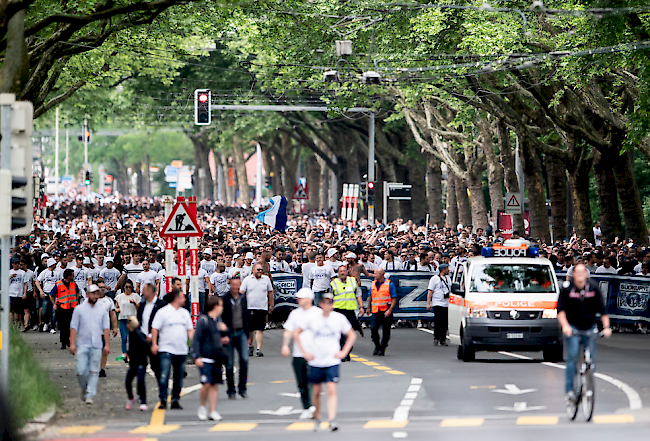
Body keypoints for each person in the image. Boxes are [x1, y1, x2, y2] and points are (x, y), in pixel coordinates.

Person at [294, 292, 356, 432]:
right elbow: (297, 333)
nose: (328, 306)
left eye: (330, 303)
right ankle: (317, 418)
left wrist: (344, 352)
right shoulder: (313, 319)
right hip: (316, 361)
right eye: (325, 303)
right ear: (321, 304)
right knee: (316, 392)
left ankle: (332, 419)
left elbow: (351, 334)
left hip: (332, 360)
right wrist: (305, 352)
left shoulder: (339, 318)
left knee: (331, 389)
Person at [557, 264, 612, 403]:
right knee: (573, 356)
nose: (581, 275)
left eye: (583, 272)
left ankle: (587, 382)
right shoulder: (567, 288)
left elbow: (603, 310)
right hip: (573, 326)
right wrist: (565, 326)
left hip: (589, 327)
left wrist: (606, 327)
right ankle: (570, 390)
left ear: (587, 274)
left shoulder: (593, 287)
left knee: (591, 358)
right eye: (578, 272)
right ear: (573, 274)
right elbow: (561, 310)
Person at [151, 289, 194, 410]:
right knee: (164, 374)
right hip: (166, 348)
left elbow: (190, 329)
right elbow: (155, 328)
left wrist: (194, 343)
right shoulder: (163, 312)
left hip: (181, 350)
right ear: (176, 298)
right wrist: (154, 344)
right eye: (182, 297)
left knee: (178, 376)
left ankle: (175, 399)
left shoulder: (184, 313)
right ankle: (163, 399)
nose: (185, 299)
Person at [281, 287, 320, 419]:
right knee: (301, 382)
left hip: (315, 353)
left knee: (313, 382)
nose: (298, 300)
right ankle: (306, 407)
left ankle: (314, 406)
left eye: (301, 298)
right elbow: (288, 330)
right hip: (298, 353)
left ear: (309, 299)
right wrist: (285, 345)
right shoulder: (295, 314)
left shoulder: (318, 313)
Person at [69, 283, 110, 405]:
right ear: (87, 294)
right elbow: (74, 327)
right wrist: (72, 343)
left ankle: (90, 394)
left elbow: (106, 328)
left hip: (97, 344)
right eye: (93, 293)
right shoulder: (79, 309)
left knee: (94, 371)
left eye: (96, 293)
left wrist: (107, 344)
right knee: (81, 371)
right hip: (82, 343)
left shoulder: (102, 310)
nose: (95, 296)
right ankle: (84, 388)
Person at [191, 296, 230, 421]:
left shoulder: (218, 321)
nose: (222, 308)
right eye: (220, 305)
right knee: (206, 384)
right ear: (215, 306)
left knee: (214, 385)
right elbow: (196, 339)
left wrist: (224, 337)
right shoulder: (204, 321)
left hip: (216, 357)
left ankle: (213, 410)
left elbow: (220, 337)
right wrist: (196, 356)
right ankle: (202, 407)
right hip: (205, 357)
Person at [222, 276, 250, 399]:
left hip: (241, 332)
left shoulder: (243, 298)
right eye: (233, 285)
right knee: (229, 363)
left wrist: (248, 334)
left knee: (244, 360)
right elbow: (221, 318)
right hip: (229, 334)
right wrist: (223, 335)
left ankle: (242, 388)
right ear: (230, 285)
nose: (235, 287)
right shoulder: (224, 299)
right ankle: (231, 390)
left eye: (237, 285)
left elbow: (247, 317)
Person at [330, 265, 363, 361]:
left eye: (344, 271)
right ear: (338, 273)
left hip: (350, 311)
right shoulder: (334, 283)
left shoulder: (352, 281)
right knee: (339, 334)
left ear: (347, 272)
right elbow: (330, 298)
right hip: (338, 311)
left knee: (350, 333)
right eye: (340, 271)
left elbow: (358, 294)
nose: (342, 273)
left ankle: (347, 351)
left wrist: (361, 307)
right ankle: (342, 353)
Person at [240, 263, 274, 357]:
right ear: (253, 270)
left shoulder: (266, 279)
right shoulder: (247, 280)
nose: (260, 271)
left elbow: (270, 292)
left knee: (260, 329)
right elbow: (241, 293)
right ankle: (250, 346)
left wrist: (271, 304)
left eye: (261, 270)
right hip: (250, 307)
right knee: (250, 329)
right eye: (258, 269)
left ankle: (258, 349)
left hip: (262, 307)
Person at [136, 283, 165, 380]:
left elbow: (163, 324)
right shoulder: (142, 305)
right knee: (140, 367)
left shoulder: (161, 305)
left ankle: (162, 390)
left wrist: (152, 335)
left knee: (156, 366)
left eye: (144, 290)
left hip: (156, 340)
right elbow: (139, 321)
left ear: (150, 291)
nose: (142, 292)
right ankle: (141, 393)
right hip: (143, 340)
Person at [368, 268, 397, 356]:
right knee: (373, 328)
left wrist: (390, 310)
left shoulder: (389, 284)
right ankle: (377, 345)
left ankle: (383, 348)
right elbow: (370, 296)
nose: (374, 275)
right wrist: (368, 307)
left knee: (386, 330)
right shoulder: (373, 284)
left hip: (385, 309)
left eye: (376, 273)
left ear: (381, 274)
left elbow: (394, 298)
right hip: (376, 309)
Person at [50, 268, 79, 350]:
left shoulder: (73, 283)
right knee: (63, 326)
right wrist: (54, 304)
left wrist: (76, 300)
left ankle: (67, 339)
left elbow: (77, 292)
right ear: (68, 276)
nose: (73, 276)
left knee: (70, 325)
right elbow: (51, 294)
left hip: (71, 307)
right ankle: (63, 341)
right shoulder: (59, 284)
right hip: (61, 308)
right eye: (72, 275)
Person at [125, 316, 149, 411]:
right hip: (134, 362)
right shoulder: (131, 333)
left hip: (141, 362)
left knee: (140, 381)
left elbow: (145, 346)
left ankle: (143, 401)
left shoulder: (138, 334)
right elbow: (132, 347)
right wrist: (128, 353)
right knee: (129, 381)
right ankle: (132, 398)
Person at [115, 280, 141, 361]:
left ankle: (131, 354)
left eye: (130, 287)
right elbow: (116, 307)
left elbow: (139, 308)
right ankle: (124, 354)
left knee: (132, 338)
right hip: (123, 318)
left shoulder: (135, 296)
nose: (128, 289)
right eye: (126, 287)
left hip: (132, 319)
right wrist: (117, 310)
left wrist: (134, 304)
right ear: (124, 288)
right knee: (124, 337)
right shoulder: (120, 296)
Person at [95, 285, 118, 377]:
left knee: (104, 350)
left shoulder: (109, 300)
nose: (103, 289)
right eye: (100, 287)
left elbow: (112, 314)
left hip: (104, 330)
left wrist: (115, 327)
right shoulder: (91, 299)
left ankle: (102, 369)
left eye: (104, 287)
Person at [426, 263, 451, 345]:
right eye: (447, 268)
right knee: (438, 320)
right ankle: (436, 337)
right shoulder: (434, 279)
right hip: (438, 302)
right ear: (443, 269)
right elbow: (430, 291)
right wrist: (428, 303)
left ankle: (443, 339)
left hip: (446, 303)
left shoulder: (448, 278)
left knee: (445, 322)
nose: (448, 270)